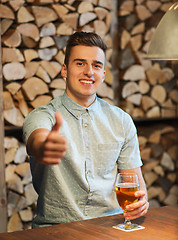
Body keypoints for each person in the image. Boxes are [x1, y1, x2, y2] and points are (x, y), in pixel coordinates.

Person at [23, 31, 149, 228]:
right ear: (64, 70)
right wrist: (44, 146)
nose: (89, 72)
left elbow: (136, 185)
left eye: (96, 65)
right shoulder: (42, 116)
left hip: (111, 228)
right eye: (80, 63)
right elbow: (37, 140)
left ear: (103, 74)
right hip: (56, 230)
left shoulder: (122, 121)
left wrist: (141, 203)